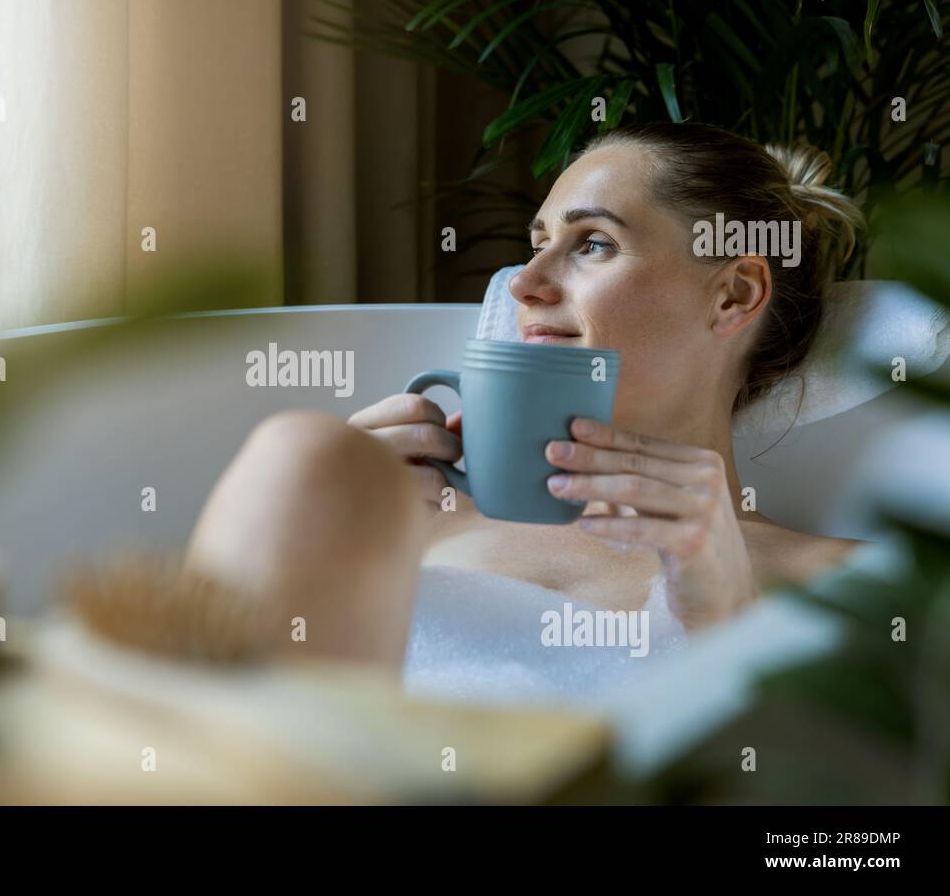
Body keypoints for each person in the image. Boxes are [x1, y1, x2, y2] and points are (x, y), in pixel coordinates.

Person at [171, 122, 868, 680]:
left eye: (592, 243)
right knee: (302, 450)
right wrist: (325, 507)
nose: (524, 282)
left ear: (734, 293)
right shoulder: (413, 519)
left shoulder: (847, 579)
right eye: (536, 245)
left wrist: (728, 619)